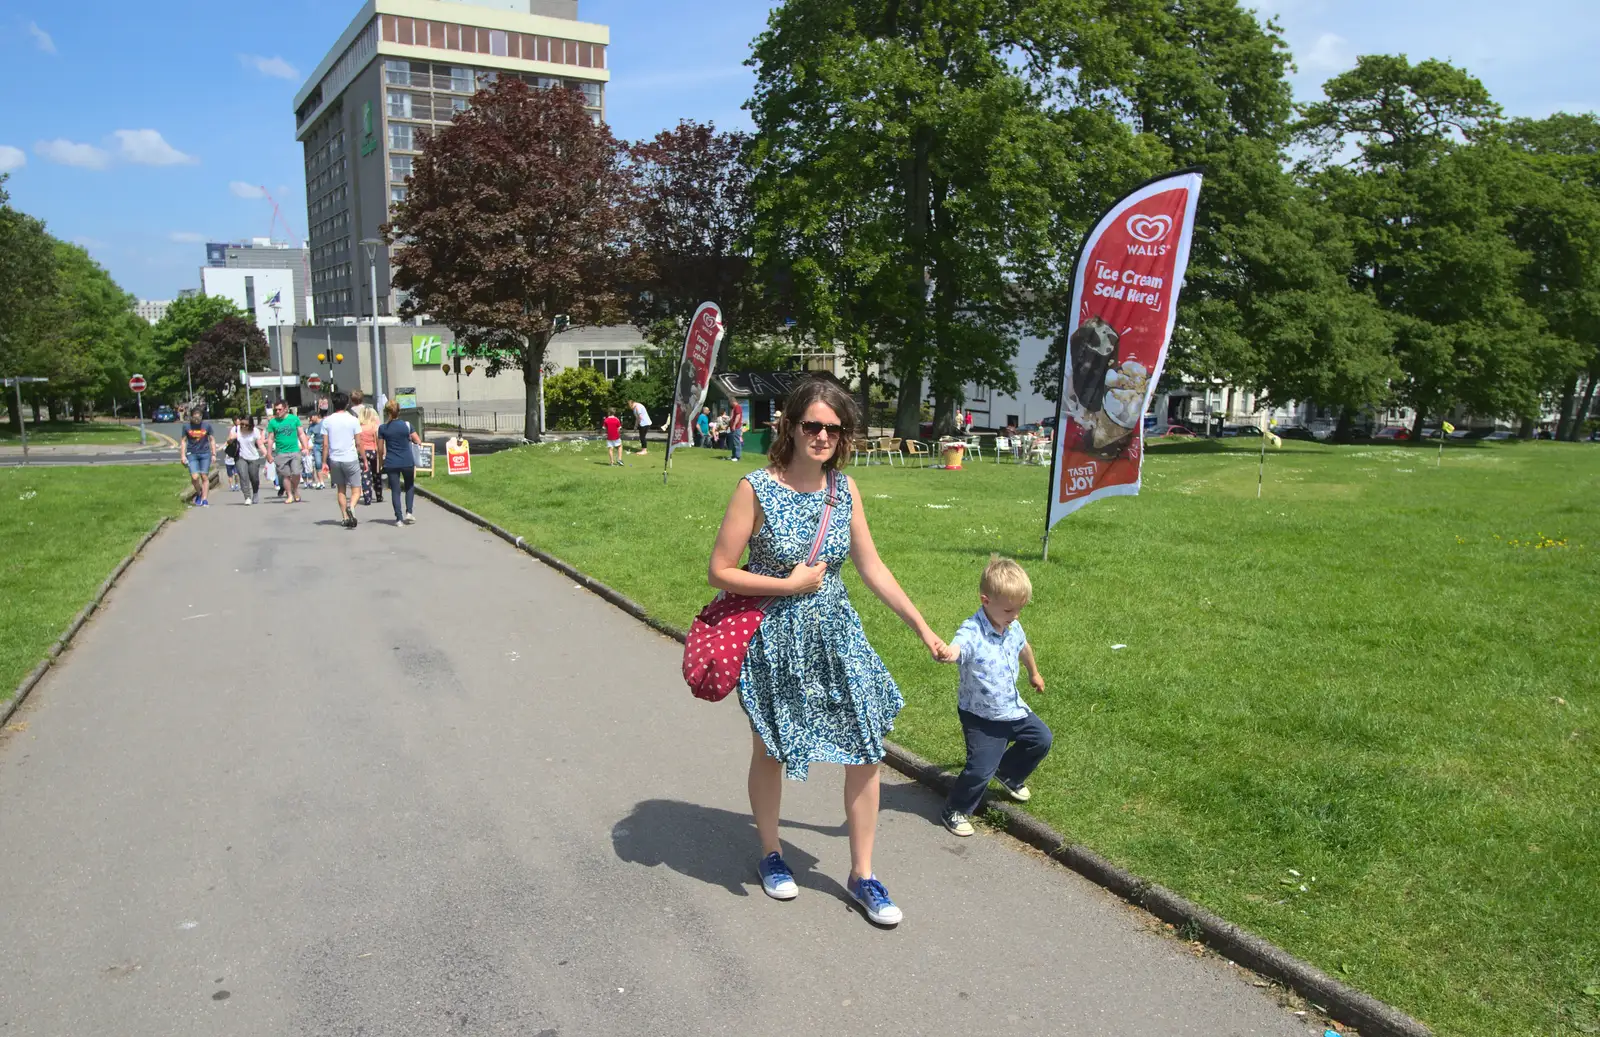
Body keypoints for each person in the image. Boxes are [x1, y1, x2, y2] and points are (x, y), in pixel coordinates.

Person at [708, 377, 948, 928]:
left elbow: (871, 566)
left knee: (866, 746)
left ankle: (863, 875)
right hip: (774, 636)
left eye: (833, 429)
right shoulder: (755, 488)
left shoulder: (844, 490)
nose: (821, 436)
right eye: (812, 425)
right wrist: (787, 586)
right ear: (790, 426)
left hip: (836, 633)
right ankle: (771, 853)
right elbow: (720, 570)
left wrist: (922, 628)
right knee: (771, 746)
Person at [936, 557, 1051, 838]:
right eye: (1010, 609)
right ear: (986, 600)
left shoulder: (1012, 626)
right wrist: (949, 653)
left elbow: (1024, 648)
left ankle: (1010, 772)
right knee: (979, 770)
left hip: (1011, 708)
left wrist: (1033, 673)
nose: (1016, 616)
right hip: (982, 716)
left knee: (1041, 739)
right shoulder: (973, 630)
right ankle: (955, 809)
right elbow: (958, 646)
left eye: (1020, 609)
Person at [322, 392, 365, 529]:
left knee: (341, 489)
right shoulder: (353, 420)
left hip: (335, 459)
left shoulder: (327, 421)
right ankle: (351, 507)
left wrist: (324, 462)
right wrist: (364, 458)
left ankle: (345, 517)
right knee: (356, 490)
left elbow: (325, 445)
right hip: (350, 458)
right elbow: (359, 443)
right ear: (347, 404)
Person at [376, 400, 421, 525]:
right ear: (399, 411)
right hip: (407, 460)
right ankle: (409, 512)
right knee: (409, 486)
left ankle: (398, 519)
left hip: (391, 462)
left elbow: (380, 449)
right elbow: (418, 440)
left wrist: (381, 463)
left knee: (395, 490)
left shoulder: (383, 428)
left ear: (386, 412)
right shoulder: (407, 425)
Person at [264, 400, 309, 504]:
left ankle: (295, 490)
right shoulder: (273, 422)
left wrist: (305, 447)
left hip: (294, 451)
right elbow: (270, 438)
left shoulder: (294, 419)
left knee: (297, 473)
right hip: (281, 452)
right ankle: (289, 495)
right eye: (276, 410)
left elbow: (301, 434)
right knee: (286, 475)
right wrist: (269, 453)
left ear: (285, 409)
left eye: (280, 409)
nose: (278, 411)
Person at [179, 409, 215, 507]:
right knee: (195, 477)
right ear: (191, 416)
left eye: (199, 416)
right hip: (192, 453)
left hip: (205, 453)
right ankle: (199, 493)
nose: (197, 418)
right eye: (195, 416)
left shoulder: (206, 426)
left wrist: (213, 454)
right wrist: (182, 455)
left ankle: (204, 499)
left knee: (204, 476)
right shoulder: (186, 426)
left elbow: (211, 440)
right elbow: (183, 441)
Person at [234, 416, 266, 505]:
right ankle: (247, 497)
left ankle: (255, 493)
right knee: (243, 476)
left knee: (254, 478)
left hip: (253, 458)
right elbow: (229, 441)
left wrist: (267, 455)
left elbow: (260, 445)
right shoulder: (236, 430)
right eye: (242, 424)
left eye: (246, 425)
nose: (243, 426)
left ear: (251, 425)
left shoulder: (255, 431)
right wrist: (230, 439)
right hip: (240, 457)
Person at [357, 399, 382, 506]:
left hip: (363, 452)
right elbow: (377, 439)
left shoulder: (359, 427)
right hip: (373, 451)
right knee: (377, 473)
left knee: (365, 474)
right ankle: (379, 494)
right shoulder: (373, 426)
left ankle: (367, 496)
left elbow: (357, 442)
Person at [305, 410, 327, 490]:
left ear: (315, 416)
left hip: (327, 445)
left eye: (311, 418)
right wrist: (304, 447)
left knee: (331, 463)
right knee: (318, 463)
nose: (310, 420)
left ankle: (334, 481)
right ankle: (321, 482)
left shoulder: (324, 422)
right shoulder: (311, 426)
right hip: (317, 446)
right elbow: (307, 437)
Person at [222, 419, 240, 493]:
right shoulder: (228, 446)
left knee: (236, 474)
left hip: (235, 461)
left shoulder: (236, 446)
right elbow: (224, 446)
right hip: (228, 461)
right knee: (230, 475)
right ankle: (231, 486)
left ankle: (236, 485)